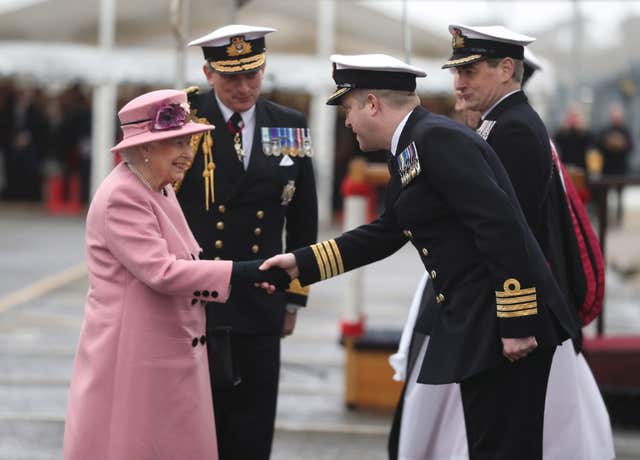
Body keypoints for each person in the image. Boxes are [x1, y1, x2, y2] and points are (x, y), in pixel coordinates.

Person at [262, 53, 581, 460]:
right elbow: (388, 231)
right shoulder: (415, 143)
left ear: (372, 104)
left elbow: (500, 227)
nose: (347, 122)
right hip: (480, 323)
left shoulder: (436, 140)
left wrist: (516, 321)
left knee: (504, 449)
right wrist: (301, 263)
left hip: (500, 324)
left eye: (348, 109)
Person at [388, 38, 613, 459]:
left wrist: (512, 321)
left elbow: (505, 233)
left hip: (501, 308)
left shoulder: (513, 129)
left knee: (505, 436)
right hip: (490, 303)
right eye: (456, 72)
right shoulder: (498, 124)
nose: (458, 82)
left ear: (507, 69)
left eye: (469, 72)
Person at [62, 89, 289, 460]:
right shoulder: (124, 195)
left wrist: (247, 274)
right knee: (132, 445)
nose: (188, 154)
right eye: (176, 144)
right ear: (146, 148)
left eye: (189, 142)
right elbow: (162, 271)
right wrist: (245, 272)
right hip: (134, 351)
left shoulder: (155, 187)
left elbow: (186, 257)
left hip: (163, 346)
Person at [175, 24, 318, 459]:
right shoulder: (182, 116)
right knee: (196, 419)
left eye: (253, 74)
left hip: (262, 292)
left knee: (253, 422)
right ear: (207, 72)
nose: (244, 87)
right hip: (197, 292)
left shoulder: (288, 123)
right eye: (231, 77)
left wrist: (294, 298)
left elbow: (303, 217)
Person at [597, 103, 634, 224]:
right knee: (605, 197)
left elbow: (630, 147)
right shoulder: (605, 130)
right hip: (607, 169)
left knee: (619, 197)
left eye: (618, 116)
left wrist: (621, 145)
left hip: (620, 169)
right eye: (614, 116)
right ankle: (605, 218)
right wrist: (611, 144)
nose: (616, 118)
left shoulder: (625, 131)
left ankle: (618, 219)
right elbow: (599, 146)